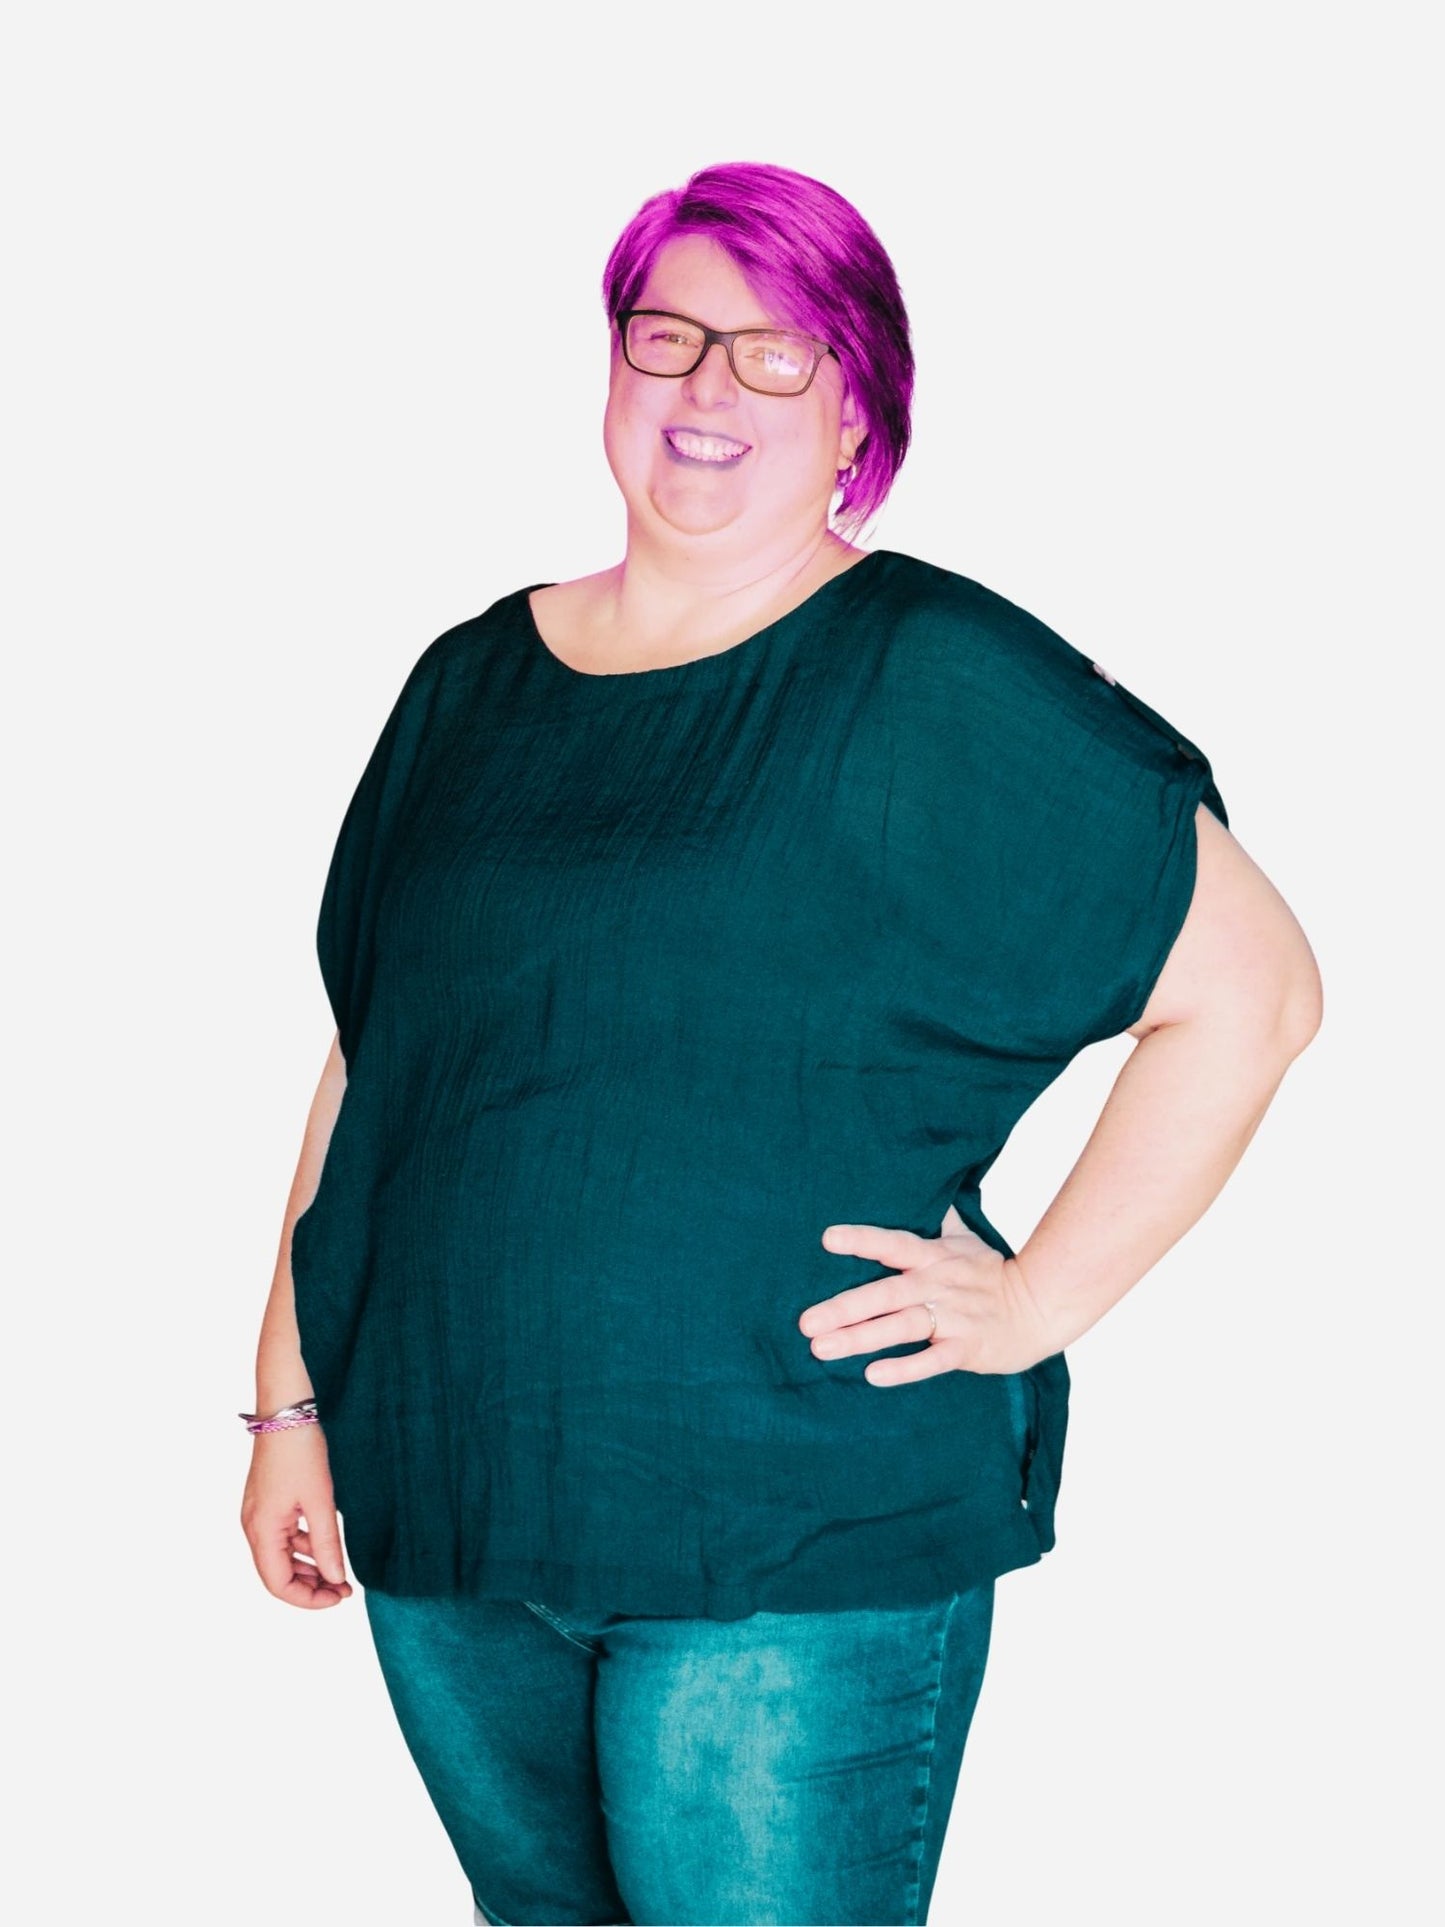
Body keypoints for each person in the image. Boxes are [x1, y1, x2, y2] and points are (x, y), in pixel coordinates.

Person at [241, 161, 1322, 1926]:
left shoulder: (928, 671)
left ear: (855, 409)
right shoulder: (464, 684)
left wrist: (1035, 1300)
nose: (705, 387)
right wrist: (289, 1403)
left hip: (782, 1531)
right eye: (666, 337)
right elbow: (375, 1069)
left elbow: (1255, 991)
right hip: (452, 1513)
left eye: (773, 351)